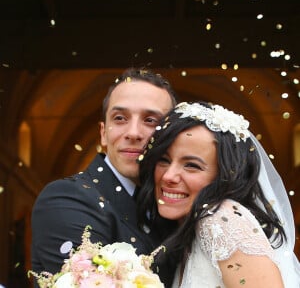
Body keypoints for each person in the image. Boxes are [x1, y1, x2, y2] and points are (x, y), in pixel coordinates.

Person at [31, 68, 178, 287]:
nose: (134, 132)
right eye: (120, 118)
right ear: (103, 133)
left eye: (150, 120)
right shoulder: (66, 198)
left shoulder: (174, 205)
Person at [137, 101, 300, 287]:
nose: (168, 176)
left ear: (224, 177)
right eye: (164, 160)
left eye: (191, 165)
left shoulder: (222, 218)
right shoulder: (192, 230)